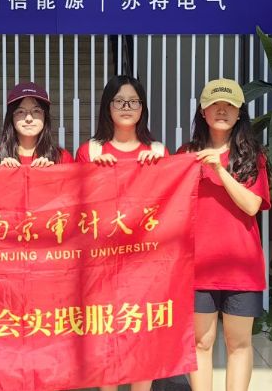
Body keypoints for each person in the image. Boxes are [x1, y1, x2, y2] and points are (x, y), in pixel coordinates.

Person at [75, 74, 168, 391]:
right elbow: (76, 205)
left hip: (144, 263)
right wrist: (92, 172)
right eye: (119, 101)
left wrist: (158, 167)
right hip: (102, 262)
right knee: (107, 339)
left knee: (143, 335)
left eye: (133, 101)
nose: (126, 107)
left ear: (143, 108)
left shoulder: (157, 151)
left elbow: (168, 206)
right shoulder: (90, 151)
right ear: (107, 106)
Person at [178, 78, 270, 391]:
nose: (222, 110)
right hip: (197, 266)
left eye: (229, 105)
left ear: (239, 112)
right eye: (214, 105)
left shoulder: (253, 156)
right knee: (200, 343)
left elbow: (251, 205)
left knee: (239, 344)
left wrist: (219, 169)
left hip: (241, 267)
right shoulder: (187, 154)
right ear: (202, 111)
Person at [0, 81, 73, 167]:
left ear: (45, 116)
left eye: (36, 111)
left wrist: (53, 174)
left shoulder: (62, 159)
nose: (29, 118)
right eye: (20, 111)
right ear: (11, 117)